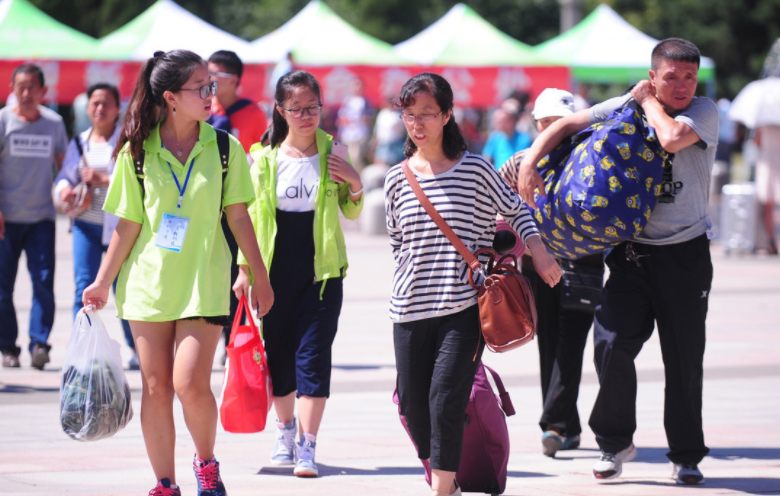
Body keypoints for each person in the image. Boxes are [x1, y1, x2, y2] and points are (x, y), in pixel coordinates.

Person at [516, 38, 718, 485]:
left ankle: (686, 454)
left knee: (683, 358)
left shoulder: (704, 111)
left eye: (689, 76)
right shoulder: (632, 99)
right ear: (653, 76)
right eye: (671, 77)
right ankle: (613, 443)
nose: (682, 85)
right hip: (631, 253)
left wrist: (645, 101)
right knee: (609, 345)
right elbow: (567, 123)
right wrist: (532, 160)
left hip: (685, 254)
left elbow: (669, 137)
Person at [81, 49, 274, 496]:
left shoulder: (225, 148)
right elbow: (127, 226)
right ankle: (164, 483)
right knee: (156, 386)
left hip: (205, 282)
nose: (211, 94)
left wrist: (259, 275)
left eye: (211, 85)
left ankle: (206, 464)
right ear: (170, 97)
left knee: (190, 382)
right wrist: (103, 281)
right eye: (200, 87)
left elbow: (240, 218)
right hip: (147, 285)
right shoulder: (136, 153)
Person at [383, 73, 561, 496]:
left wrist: (539, 250)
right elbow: (397, 242)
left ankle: (442, 490)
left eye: (427, 113)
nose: (418, 123)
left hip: (464, 307)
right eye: (410, 115)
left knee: (445, 400)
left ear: (447, 115)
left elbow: (517, 212)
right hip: (408, 309)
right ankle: (448, 481)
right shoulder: (396, 178)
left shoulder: (476, 170)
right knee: (412, 405)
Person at [233, 70, 363, 478]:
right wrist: (244, 270)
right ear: (281, 110)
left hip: (323, 272)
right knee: (280, 355)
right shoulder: (264, 158)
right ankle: (285, 432)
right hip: (273, 271)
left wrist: (356, 185)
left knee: (314, 355)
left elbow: (351, 209)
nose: (307, 116)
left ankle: (307, 446)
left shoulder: (334, 150)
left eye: (313, 108)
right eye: (297, 109)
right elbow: (249, 218)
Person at [498, 88, 603, 458]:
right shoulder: (518, 162)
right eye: (546, 124)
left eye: (560, 124)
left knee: (570, 344)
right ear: (536, 124)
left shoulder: (593, 160)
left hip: (585, 262)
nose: (552, 131)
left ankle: (554, 424)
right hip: (536, 265)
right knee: (549, 344)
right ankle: (567, 426)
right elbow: (494, 201)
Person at [54, 83, 138, 369]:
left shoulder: (126, 142)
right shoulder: (79, 142)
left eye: (105, 103)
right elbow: (64, 176)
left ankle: (136, 349)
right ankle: (83, 350)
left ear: (117, 109)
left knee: (124, 291)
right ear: (87, 108)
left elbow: (138, 184)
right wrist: (65, 189)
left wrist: (103, 180)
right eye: (94, 103)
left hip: (119, 230)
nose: (99, 108)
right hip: (85, 227)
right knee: (85, 286)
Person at [0, 64, 68, 370]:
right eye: (20, 87)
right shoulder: (3, 120)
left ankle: (40, 343)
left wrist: (69, 194)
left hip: (42, 218)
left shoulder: (53, 123)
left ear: (43, 91)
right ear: (12, 89)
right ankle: (8, 347)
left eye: (32, 87)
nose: (26, 93)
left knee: (43, 284)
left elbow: (65, 167)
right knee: (3, 287)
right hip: (5, 220)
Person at [206, 50, 269, 365]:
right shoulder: (204, 110)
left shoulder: (253, 114)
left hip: (237, 206)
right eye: (208, 74)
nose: (211, 81)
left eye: (218, 76)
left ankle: (232, 337)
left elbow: (260, 156)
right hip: (205, 206)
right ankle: (216, 334)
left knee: (235, 275)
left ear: (235, 81)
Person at [207, 50, 268, 161]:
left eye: (214, 74)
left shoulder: (253, 113)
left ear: (233, 80)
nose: (208, 78)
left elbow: (263, 152)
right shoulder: (202, 107)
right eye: (207, 73)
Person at [337, 77, 373, 172]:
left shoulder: (366, 102)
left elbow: (368, 118)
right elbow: (341, 118)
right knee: (347, 159)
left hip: (360, 135)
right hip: (347, 135)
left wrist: (356, 120)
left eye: (359, 85)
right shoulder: (347, 100)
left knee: (356, 159)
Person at [482, 101, 531, 168]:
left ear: (513, 121)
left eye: (503, 120)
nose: (499, 123)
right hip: (498, 176)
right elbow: (486, 158)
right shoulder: (495, 137)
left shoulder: (524, 139)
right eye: (498, 120)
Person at [754, 124, 780, 254]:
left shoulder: (763, 121)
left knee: (767, 205)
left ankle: (771, 241)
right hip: (772, 160)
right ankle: (771, 241)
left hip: (767, 161)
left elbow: (756, 142)